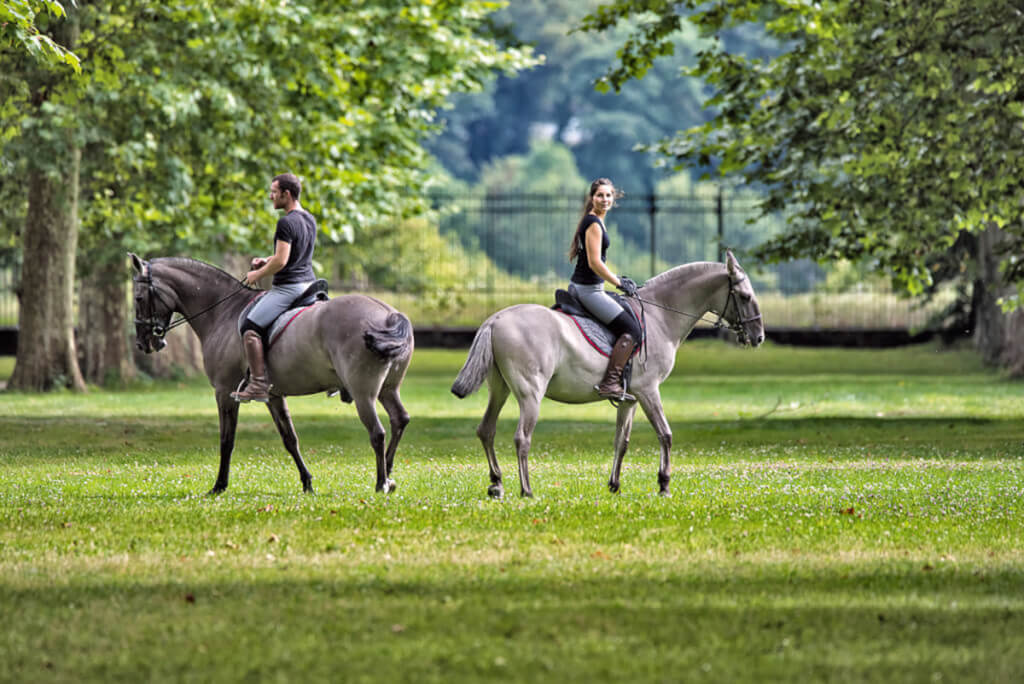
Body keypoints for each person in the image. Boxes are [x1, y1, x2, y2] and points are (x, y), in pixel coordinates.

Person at [231, 173, 317, 403]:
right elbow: (294, 254)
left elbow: (282, 262)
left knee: (249, 328)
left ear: (286, 194)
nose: (271, 196)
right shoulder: (309, 218)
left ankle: (258, 384)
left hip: (289, 288)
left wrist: (256, 274)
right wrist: (266, 260)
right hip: (310, 284)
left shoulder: (286, 222)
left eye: (273, 192)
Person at [568, 178, 643, 401]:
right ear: (592, 197)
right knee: (633, 330)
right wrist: (618, 282)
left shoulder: (596, 220)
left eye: (608, 195)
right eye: (600, 195)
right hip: (588, 291)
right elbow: (594, 263)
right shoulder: (593, 223)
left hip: (591, 288)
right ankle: (610, 383)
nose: (605, 199)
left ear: (614, 198)